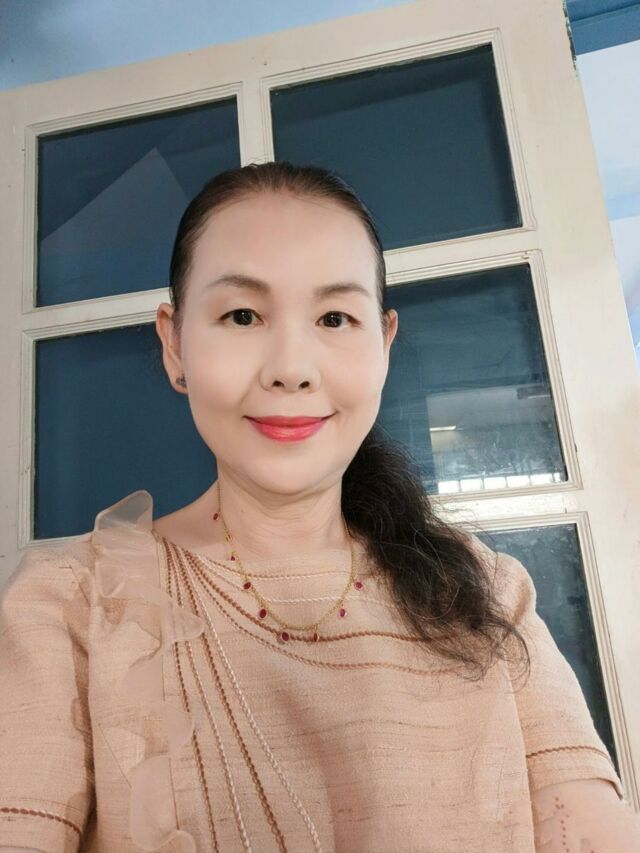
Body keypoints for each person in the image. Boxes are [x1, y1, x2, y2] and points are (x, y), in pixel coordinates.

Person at [1, 161, 638, 852]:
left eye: (335, 317)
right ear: (174, 344)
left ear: (383, 344)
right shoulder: (70, 603)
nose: (291, 368)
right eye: (242, 315)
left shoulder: (486, 591)